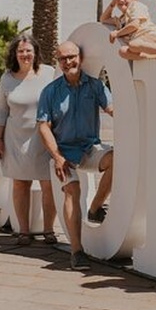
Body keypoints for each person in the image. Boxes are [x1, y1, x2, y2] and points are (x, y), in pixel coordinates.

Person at [37, 41, 114, 271]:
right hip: (63, 153)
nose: (68, 62)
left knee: (117, 160)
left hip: (89, 148)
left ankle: (95, 208)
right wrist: (57, 157)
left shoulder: (95, 86)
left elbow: (112, 108)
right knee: (72, 190)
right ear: (58, 62)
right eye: (63, 58)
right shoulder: (50, 91)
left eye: (71, 57)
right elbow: (43, 127)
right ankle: (77, 251)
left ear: (80, 58)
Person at [0, 34, 58, 246]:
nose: (25, 54)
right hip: (15, 139)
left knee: (48, 184)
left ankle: (49, 230)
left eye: (28, 50)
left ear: (36, 52)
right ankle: (23, 231)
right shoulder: (7, 78)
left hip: (44, 137)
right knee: (20, 184)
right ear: (14, 54)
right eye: (20, 51)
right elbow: (2, 110)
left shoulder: (49, 73)